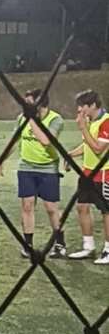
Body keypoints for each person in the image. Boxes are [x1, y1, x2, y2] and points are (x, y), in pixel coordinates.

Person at [0, 89, 66, 258]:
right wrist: (2, 159)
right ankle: (27, 244)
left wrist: (31, 120)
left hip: (48, 168)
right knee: (27, 205)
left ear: (40, 103)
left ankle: (59, 243)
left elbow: (45, 140)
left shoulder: (55, 120)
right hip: (26, 168)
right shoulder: (21, 118)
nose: (25, 106)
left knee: (51, 208)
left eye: (29, 103)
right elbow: (14, 140)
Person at [66, 90, 109, 263]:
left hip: (104, 173)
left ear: (92, 105)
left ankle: (107, 250)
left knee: (106, 212)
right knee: (82, 207)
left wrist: (83, 128)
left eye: (82, 106)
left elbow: (98, 148)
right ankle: (88, 247)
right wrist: (70, 154)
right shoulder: (91, 121)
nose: (79, 109)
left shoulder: (106, 122)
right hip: (87, 173)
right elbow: (87, 145)